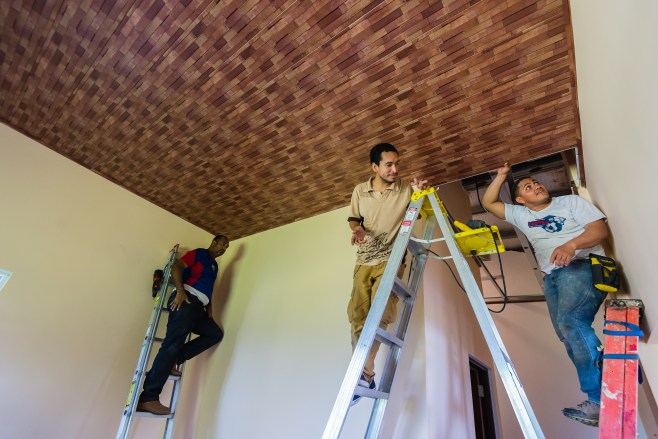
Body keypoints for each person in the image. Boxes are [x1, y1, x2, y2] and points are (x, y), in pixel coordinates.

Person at [482, 162, 609, 426]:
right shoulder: (521, 215)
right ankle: (599, 380)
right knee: (566, 334)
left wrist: (571, 245)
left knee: (571, 323)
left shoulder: (570, 202)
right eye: (528, 187)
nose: (536, 186)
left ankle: (599, 399)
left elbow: (599, 231)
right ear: (520, 200)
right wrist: (502, 175)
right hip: (553, 277)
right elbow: (489, 202)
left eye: (537, 183)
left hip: (582, 265)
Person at [347, 142, 427, 406]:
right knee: (357, 317)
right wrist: (357, 230)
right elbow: (354, 218)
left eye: (397, 164)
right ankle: (365, 374)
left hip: (391, 259)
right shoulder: (360, 190)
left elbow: (416, 208)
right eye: (388, 165)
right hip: (364, 260)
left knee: (379, 315)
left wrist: (419, 194)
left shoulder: (405, 188)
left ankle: (362, 374)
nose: (395, 169)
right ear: (375, 167)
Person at [136, 235, 229, 415]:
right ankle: (148, 398)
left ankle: (176, 359)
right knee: (171, 345)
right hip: (186, 300)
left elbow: (207, 287)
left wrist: (209, 306)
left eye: (226, 247)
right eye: (222, 244)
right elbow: (177, 266)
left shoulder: (214, 265)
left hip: (198, 307)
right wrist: (180, 291)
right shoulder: (200, 254)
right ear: (213, 242)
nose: (224, 248)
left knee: (214, 334)